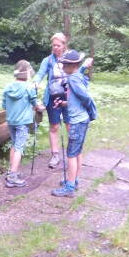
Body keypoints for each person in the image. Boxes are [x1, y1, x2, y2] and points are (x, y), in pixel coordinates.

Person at [34, 33, 92, 169]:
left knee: (70, 125)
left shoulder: (69, 59)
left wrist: (84, 67)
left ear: (64, 45)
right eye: (53, 45)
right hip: (53, 97)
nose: (55, 47)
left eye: (58, 45)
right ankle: (55, 155)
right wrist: (35, 82)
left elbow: (76, 73)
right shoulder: (48, 60)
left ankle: (73, 154)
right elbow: (40, 73)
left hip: (68, 97)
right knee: (54, 126)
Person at [51, 50, 97, 197]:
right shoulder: (78, 75)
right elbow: (76, 99)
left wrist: (89, 108)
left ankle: (69, 187)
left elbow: (85, 97)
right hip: (82, 120)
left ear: (72, 65)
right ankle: (74, 180)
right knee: (77, 152)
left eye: (65, 64)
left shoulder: (73, 79)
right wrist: (64, 103)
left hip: (77, 122)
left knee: (71, 154)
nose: (62, 66)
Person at [2, 60, 45, 187]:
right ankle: (12, 177)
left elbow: (4, 106)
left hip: (11, 121)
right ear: (27, 74)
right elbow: (35, 105)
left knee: (14, 145)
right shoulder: (29, 88)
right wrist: (40, 108)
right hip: (22, 123)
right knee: (19, 148)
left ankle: (11, 171)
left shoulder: (8, 87)